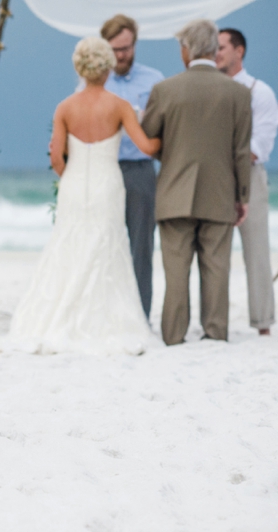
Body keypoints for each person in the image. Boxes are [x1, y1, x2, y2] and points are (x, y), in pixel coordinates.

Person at [8, 37, 161, 355]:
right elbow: (146, 147)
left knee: (68, 244)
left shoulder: (65, 106)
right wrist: (164, 137)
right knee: (108, 246)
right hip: (108, 184)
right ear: (106, 67)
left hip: (75, 185)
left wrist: (71, 177)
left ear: (80, 67)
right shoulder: (119, 106)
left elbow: (56, 158)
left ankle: (59, 314)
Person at [142, 19, 252, 346]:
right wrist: (242, 196)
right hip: (220, 192)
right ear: (211, 48)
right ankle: (215, 332)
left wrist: (173, 157)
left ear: (186, 49)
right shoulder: (238, 93)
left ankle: (174, 335)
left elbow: (148, 137)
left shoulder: (165, 90)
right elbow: (241, 151)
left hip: (174, 191)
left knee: (176, 271)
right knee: (217, 268)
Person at [99, 14, 164, 319]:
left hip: (140, 170)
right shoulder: (95, 82)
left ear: (135, 44)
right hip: (105, 169)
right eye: (114, 49)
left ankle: (141, 316)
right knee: (104, 244)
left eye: (126, 48)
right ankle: (106, 313)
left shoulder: (154, 80)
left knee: (141, 247)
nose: (121, 55)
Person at [217, 28, 278, 336]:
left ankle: (263, 321)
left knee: (256, 250)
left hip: (250, 176)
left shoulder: (260, 92)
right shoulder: (210, 89)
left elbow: (261, 146)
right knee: (215, 252)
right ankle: (216, 323)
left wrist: (222, 152)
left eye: (222, 47)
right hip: (214, 178)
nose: (216, 52)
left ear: (239, 51)